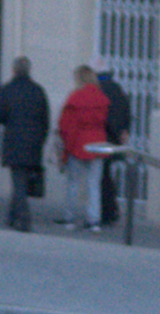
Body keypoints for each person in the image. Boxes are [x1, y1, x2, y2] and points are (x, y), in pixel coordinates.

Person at [0, 57, 50, 233]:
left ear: (14, 70)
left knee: (18, 180)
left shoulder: (8, 89)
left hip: (14, 141)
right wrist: (40, 140)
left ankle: (24, 219)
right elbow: (45, 120)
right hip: (33, 143)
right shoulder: (38, 91)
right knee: (20, 181)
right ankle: (11, 216)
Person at [57, 65, 111, 232]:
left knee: (73, 183)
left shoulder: (75, 97)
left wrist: (65, 145)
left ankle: (69, 217)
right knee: (94, 184)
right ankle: (93, 220)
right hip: (98, 144)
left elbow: (65, 124)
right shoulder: (102, 98)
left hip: (78, 143)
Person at [95, 67, 133, 226]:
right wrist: (124, 132)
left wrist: (114, 132)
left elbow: (106, 116)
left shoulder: (101, 91)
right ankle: (112, 209)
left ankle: (108, 211)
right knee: (106, 176)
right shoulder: (119, 91)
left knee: (102, 177)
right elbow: (127, 113)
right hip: (116, 140)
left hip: (104, 138)